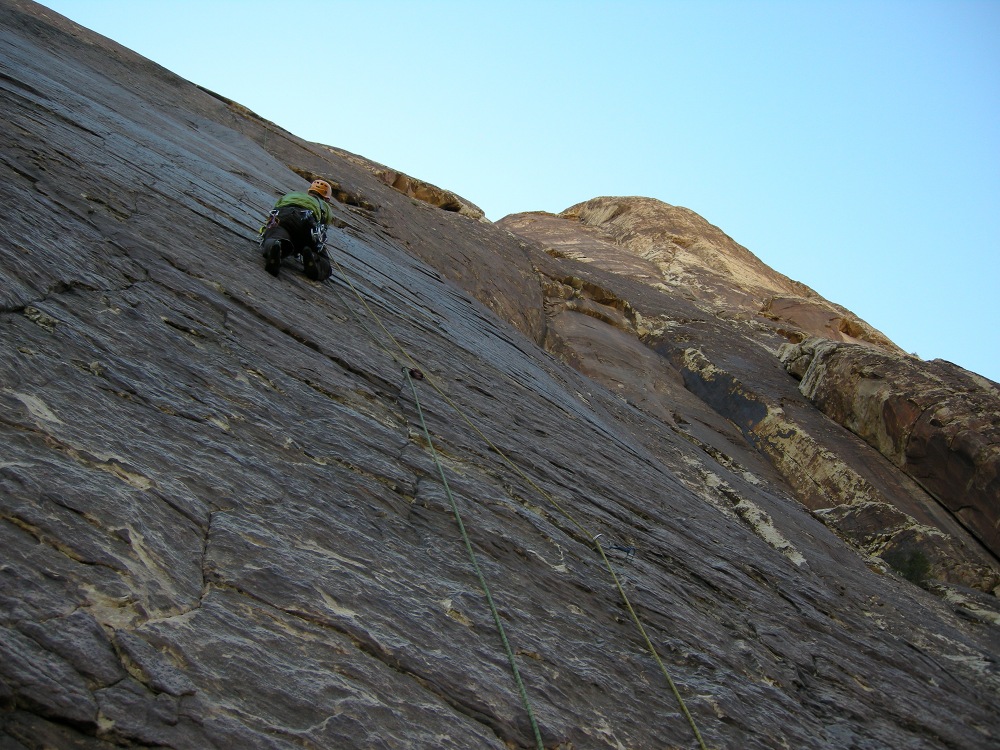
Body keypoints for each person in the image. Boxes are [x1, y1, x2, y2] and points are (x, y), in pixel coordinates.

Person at [259, 179, 335, 280]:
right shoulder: (325, 206)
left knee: (275, 235)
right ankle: (313, 259)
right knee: (320, 254)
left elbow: (276, 207)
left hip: (282, 215)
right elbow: (323, 229)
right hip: (307, 220)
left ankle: (276, 245)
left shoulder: (292, 194)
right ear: (326, 198)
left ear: (309, 191)